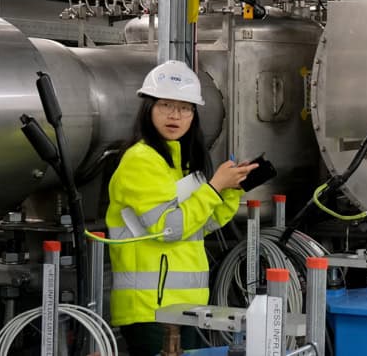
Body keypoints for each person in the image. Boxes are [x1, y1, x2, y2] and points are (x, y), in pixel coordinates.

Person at [105, 60, 257, 355]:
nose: (175, 115)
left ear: (194, 115)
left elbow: (202, 224)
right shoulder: (141, 160)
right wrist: (213, 187)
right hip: (151, 309)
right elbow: (169, 228)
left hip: (185, 306)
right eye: (165, 105)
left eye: (185, 108)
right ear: (148, 109)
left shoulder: (180, 162)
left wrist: (227, 191)